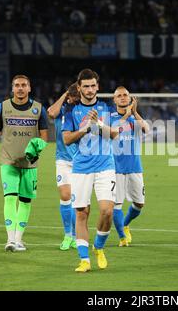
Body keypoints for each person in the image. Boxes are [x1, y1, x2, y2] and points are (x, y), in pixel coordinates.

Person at [0, 75, 49, 252]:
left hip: (30, 164)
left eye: (24, 85)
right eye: (17, 85)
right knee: (9, 198)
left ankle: (18, 240)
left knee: (25, 202)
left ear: (29, 88)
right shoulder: (2, 108)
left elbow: (44, 136)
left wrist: (37, 148)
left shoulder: (39, 109)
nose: (20, 88)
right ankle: (10, 240)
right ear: (12, 88)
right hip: (8, 162)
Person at [62, 69, 119, 272]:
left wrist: (98, 123)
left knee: (107, 211)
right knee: (81, 213)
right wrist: (86, 128)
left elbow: (113, 134)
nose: (89, 89)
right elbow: (66, 139)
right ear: (79, 88)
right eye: (85, 86)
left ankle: (99, 247)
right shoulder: (71, 111)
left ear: (98, 86)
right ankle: (84, 260)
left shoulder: (106, 107)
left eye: (93, 85)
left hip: (105, 165)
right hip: (81, 168)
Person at [110, 87, 149, 246]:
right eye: (119, 96)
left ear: (130, 98)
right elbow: (111, 132)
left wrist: (135, 112)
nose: (123, 98)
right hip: (115, 169)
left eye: (125, 95)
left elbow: (146, 129)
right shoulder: (109, 118)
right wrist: (126, 115)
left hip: (134, 167)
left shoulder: (135, 119)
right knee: (116, 204)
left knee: (139, 204)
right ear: (114, 100)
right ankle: (122, 237)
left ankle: (125, 224)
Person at [47, 83, 79, 250]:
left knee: (77, 200)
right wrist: (65, 93)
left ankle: (76, 235)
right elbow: (51, 112)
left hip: (81, 160)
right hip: (63, 160)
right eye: (73, 96)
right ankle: (68, 235)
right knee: (66, 196)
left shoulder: (82, 111)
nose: (76, 100)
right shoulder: (62, 111)